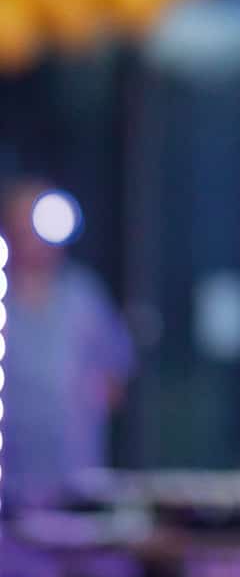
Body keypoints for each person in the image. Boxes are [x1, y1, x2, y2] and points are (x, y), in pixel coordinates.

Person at [1, 177, 135, 509]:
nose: (31, 237)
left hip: (75, 488)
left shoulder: (84, 297)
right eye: (21, 225)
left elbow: (116, 380)